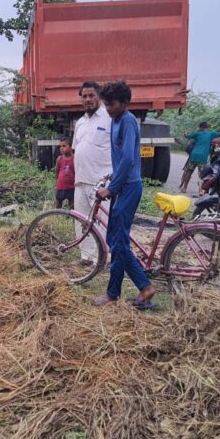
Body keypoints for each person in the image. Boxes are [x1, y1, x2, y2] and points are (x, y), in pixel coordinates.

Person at [93, 80, 156, 309]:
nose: (108, 108)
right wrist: (112, 177)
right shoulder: (115, 120)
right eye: (106, 104)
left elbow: (129, 158)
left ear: (125, 103)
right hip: (122, 185)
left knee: (118, 244)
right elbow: (120, 158)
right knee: (114, 240)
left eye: (112, 104)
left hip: (129, 187)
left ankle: (112, 295)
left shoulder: (128, 121)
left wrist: (112, 188)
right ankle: (145, 287)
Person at [72, 81, 112, 264]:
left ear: (99, 97)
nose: (87, 99)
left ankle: (101, 259)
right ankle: (86, 257)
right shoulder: (80, 122)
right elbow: (76, 150)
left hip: (101, 181)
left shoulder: (109, 118)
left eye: (91, 96)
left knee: (102, 223)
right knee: (82, 220)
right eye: (84, 96)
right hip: (80, 180)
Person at [180, 122, 220, 196]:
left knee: (189, 172)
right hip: (202, 157)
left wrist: (185, 133)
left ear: (201, 127)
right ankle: (200, 191)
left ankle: (184, 188)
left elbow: (187, 136)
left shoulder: (197, 134)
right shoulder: (211, 134)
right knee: (201, 174)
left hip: (194, 155)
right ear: (207, 128)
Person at [54, 138, 75, 209]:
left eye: (64, 146)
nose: (61, 148)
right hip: (61, 186)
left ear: (71, 147)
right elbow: (56, 172)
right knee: (58, 205)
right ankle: (57, 219)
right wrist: (56, 183)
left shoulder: (75, 158)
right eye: (60, 146)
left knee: (72, 206)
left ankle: (72, 219)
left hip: (72, 187)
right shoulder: (59, 159)